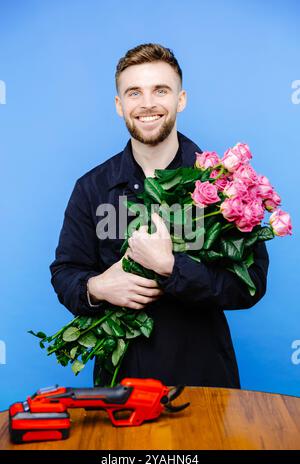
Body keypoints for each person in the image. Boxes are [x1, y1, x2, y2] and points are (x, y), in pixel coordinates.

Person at [49, 43, 269, 388]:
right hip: (119, 387)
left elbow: (250, 286)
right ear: (120, 105)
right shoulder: (92, 188)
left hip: (205, 382)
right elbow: (65, 273)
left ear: (180, 99)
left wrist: (171, 268)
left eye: (160, 90)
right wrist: (96, 287)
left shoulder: (223, 187)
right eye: (134, 92)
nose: (147, 103)